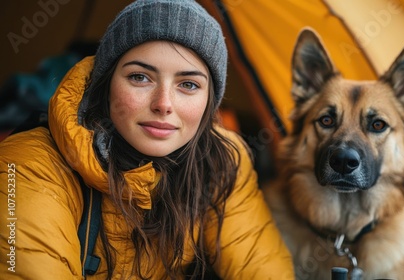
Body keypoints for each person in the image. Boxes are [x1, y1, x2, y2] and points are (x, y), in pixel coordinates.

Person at [0, 0, 294, 279]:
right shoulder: (27, 167)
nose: (163, 103)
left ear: (210, 102)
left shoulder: (222, 159)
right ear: (106, 84)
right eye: (140, 77)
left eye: (188, 84)